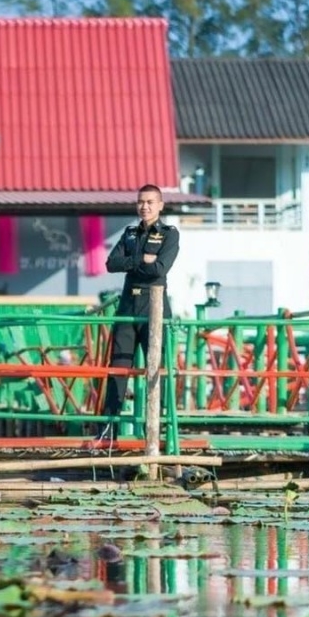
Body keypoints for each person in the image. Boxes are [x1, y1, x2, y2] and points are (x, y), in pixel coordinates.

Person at [102, 184, 180, 441]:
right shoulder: (130, 233)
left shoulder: (169, 234)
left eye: (149, 202)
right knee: (118, 369)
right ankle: (107, 432)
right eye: (140, 202)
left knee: (155, 370)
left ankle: (157, 432)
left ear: (160, 205)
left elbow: (159, 268)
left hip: (154, 310)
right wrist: (139, 259)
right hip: (127, 307)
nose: (144, 206)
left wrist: (138, 263)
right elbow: (111, 264)